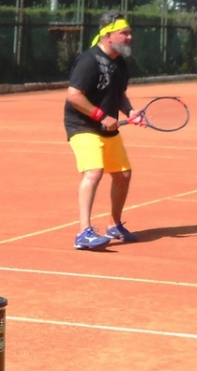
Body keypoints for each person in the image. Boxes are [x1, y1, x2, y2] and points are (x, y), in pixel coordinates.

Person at [63, 12, 143, 250]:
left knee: (123, 174)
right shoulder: (89, 60)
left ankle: (114, 225)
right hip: (83, 125)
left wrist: (130, 111)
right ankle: (83, 234)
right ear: (108, 35)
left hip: (107, 127)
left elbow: (119, 94)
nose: (129, 37)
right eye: (124, 33)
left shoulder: (120, 62)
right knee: (94, 172)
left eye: (130, 33)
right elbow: (73, 95)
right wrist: (100, 116)